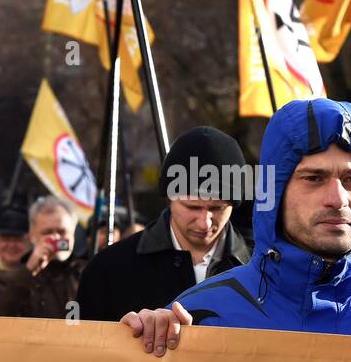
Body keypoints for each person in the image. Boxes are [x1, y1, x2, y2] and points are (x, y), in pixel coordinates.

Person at [123, 98, 351, 354]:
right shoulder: (199, 317)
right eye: (314, 178)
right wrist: (140, 349)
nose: (338, 199)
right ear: (273, 193)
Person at [78, 127, 252, 322]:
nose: (205, 222)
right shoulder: (108, 270)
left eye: (217, 208)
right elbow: (82, 346)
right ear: (170, 198)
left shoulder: (264, 270)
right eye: (192, 207)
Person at [0, 196, 85, 319]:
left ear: (72, 233)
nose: (55, 238)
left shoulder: (85, 273)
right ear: (32, 235)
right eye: (47, 232)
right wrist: (29, 270)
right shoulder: (12, 277)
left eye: (61, 232)